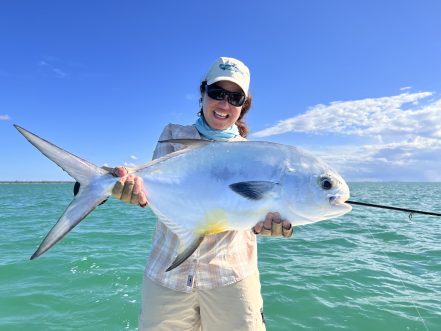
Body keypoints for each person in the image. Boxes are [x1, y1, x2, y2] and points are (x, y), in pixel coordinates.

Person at [111, 57, 293, 330]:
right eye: (217, 93)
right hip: (168, 273)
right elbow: (159, 191)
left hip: (231, 277)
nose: (224, 104)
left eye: (235, 97)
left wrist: (279, 224)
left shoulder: (255, 156)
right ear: (202, 92)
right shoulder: (173, 134)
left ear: (244, 106)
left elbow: (257, 211)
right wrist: (133, 191)